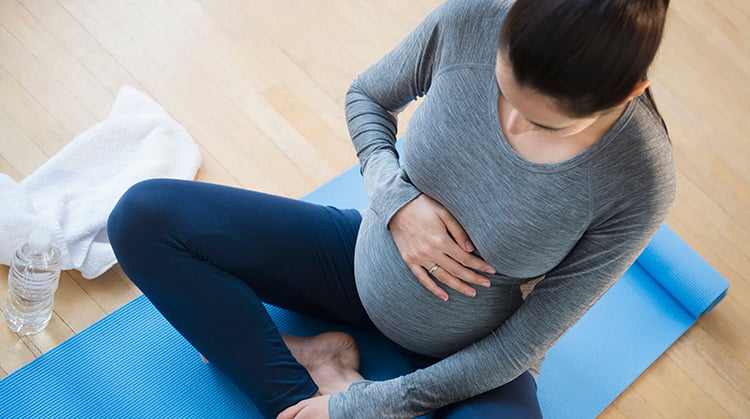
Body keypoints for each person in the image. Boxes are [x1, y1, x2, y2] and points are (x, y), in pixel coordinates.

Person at [107, 0, 675, 417]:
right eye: (503, 88)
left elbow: (527, 341)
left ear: (630, 91)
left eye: (547, 123)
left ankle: (318, 393)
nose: (513, 123)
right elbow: (367, 96)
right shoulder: (476, 17)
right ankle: (303, 389)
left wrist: (366, 407)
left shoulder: (639, 181)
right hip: (358, 262)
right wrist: (395, 199)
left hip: (474, 350)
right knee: (144, 216)